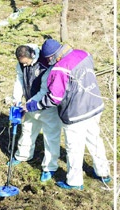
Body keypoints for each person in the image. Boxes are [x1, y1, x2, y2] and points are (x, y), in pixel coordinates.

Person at [25, 39, 111, 190]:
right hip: (94, 105)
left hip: (75, 113)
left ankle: (74, 181)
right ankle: (103, 172)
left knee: (74, 148)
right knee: (94, 140)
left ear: (52, 57)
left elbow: (54, 98)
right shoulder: (83, 54)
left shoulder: (59, 69)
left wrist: (35, 105)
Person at [10, 44, 62, 182]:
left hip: (46, 106)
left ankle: (49, 167)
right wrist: (16, 99)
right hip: (29, 105)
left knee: (51, 137)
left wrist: (30, 104)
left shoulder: (46, 63)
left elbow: (45, 90)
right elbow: (19, 80)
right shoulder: (21, 64)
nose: (25, 66)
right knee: (27, 130)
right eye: (23, 64)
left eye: (26, 63)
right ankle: (23, 155)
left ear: (32, 55)